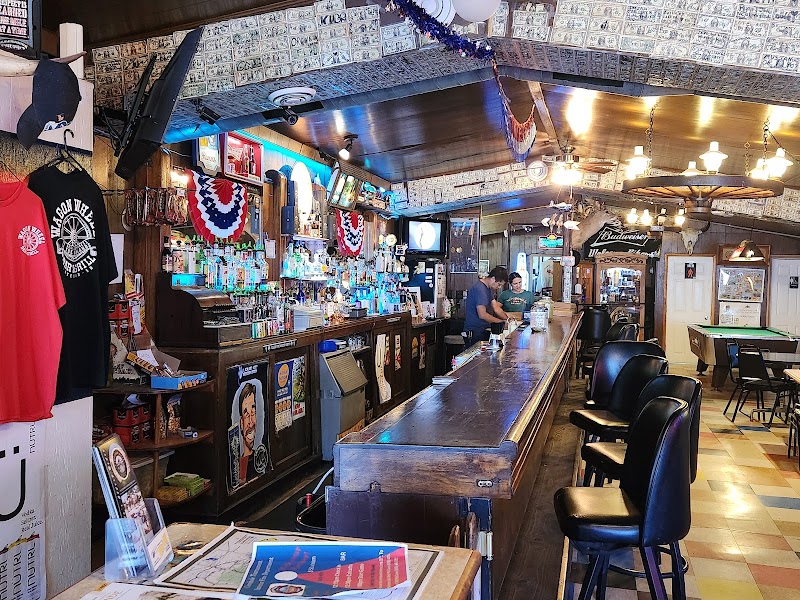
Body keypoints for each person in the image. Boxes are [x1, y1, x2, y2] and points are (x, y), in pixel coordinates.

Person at [463, 266, 508, 347]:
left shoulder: (488, 289)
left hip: (483, 329)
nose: (499, 287)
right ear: (493, 279)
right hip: (474, 331)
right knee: (476, 358)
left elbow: (496, 308)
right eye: (499, 284)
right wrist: (499, 321)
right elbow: (482, 314)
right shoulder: (480, 289)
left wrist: (507, 320)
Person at [239, 382, 257, 481]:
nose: (251, 422)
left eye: (253, 412)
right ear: (241, 422)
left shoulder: (260, 458)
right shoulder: (236, 465)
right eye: (246, 414)